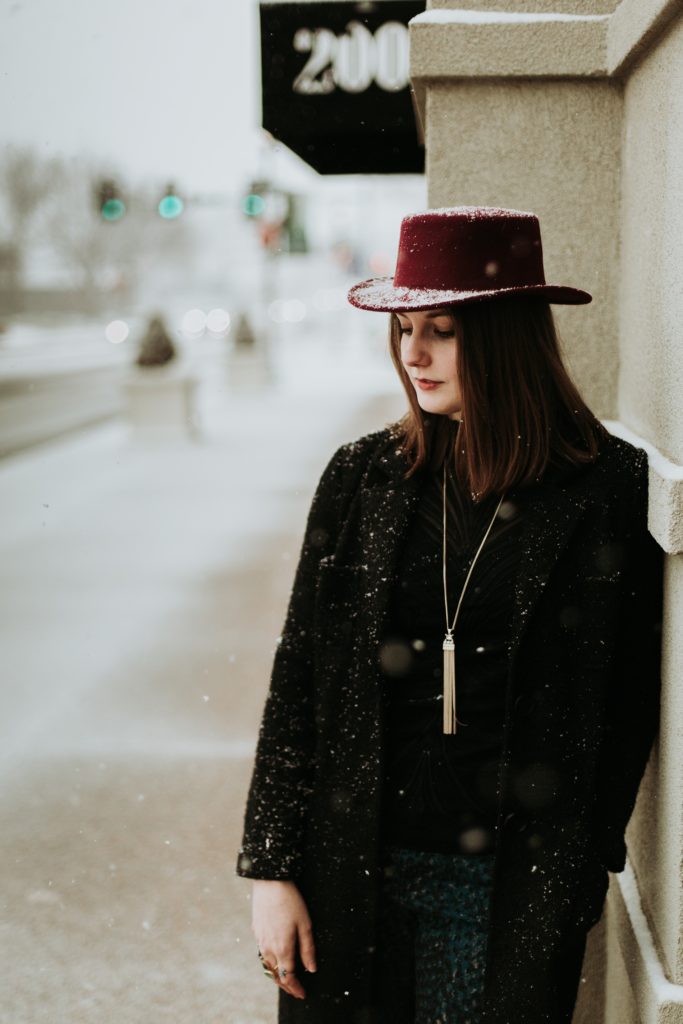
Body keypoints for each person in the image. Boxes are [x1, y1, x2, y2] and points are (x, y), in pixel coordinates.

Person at [236, 206, 664, 1024]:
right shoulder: (363, 478)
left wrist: (577, 870)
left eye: (442, 330)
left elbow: (625, 701)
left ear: (505, 339)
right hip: (353, 869)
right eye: (404, 330)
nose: (413, 354)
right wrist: (272, 870)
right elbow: (300, 677)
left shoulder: (602, 489)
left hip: (504, 887)